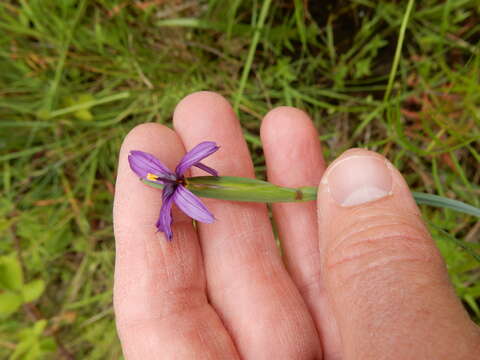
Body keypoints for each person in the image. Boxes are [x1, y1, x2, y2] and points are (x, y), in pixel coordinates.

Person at [113, 92, 480, 359]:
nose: (160, 181)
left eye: (162, 180)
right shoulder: (178, 190)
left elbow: (202, 158)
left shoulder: (181, 183)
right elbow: (182, 202)